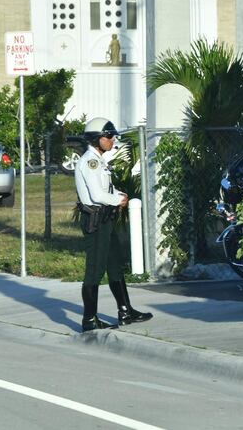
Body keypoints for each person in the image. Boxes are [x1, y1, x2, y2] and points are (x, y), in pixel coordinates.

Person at [75, 117, 153, 332]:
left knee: (115, 266)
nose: (112, 139)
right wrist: (118, 200)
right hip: (96, 220)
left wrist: (118, 195)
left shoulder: (98, 160)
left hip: (106, 219)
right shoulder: (90, 161)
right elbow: (96, 194)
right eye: (108, 136)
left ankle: (125, 311)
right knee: (95, 271)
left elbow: (105, 190)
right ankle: (89, 320)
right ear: (95, 139)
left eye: (112, 135)